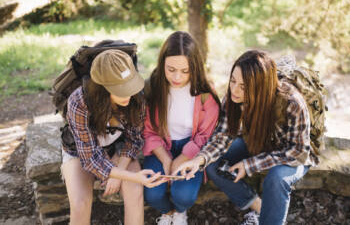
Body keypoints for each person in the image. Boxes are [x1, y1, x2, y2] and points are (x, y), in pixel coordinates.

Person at [173, 50, 319, 225]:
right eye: (233, 81)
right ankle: (258, 206)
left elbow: (298, 152)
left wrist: (249, 165)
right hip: (260, 143)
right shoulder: (233, 97)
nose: (234, 90)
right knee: (212, 164)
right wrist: (199, 160)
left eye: (243, 87)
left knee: (277, 179)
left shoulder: (292, 102)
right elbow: (223, 136)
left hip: (292, 154)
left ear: (260, 87)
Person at [60, 49, 165, 225]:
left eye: (129, 87)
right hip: (80, 151)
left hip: (117, 146)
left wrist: (119, 174)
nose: (128, 95)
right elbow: (90, 157)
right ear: (101, 88)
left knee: (134, 193)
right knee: (80, 204)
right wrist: (127, 175)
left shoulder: (136, 97)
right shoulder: (78, 101)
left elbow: (134, 139)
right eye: (120, 90)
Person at [142, 31, 221, 225]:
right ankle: (167, 212)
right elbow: (149, 130)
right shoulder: (152, 88)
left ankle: (180, 212)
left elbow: (204, 135)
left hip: (191, 148)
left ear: (195, 67)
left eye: (185, 71)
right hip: (161, 146)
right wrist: (166, 158)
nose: (177, 77)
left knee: (185, 196)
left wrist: (182, 158)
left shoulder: (204, 94)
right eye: (171, 69)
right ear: (162, 65)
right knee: (152, 193)